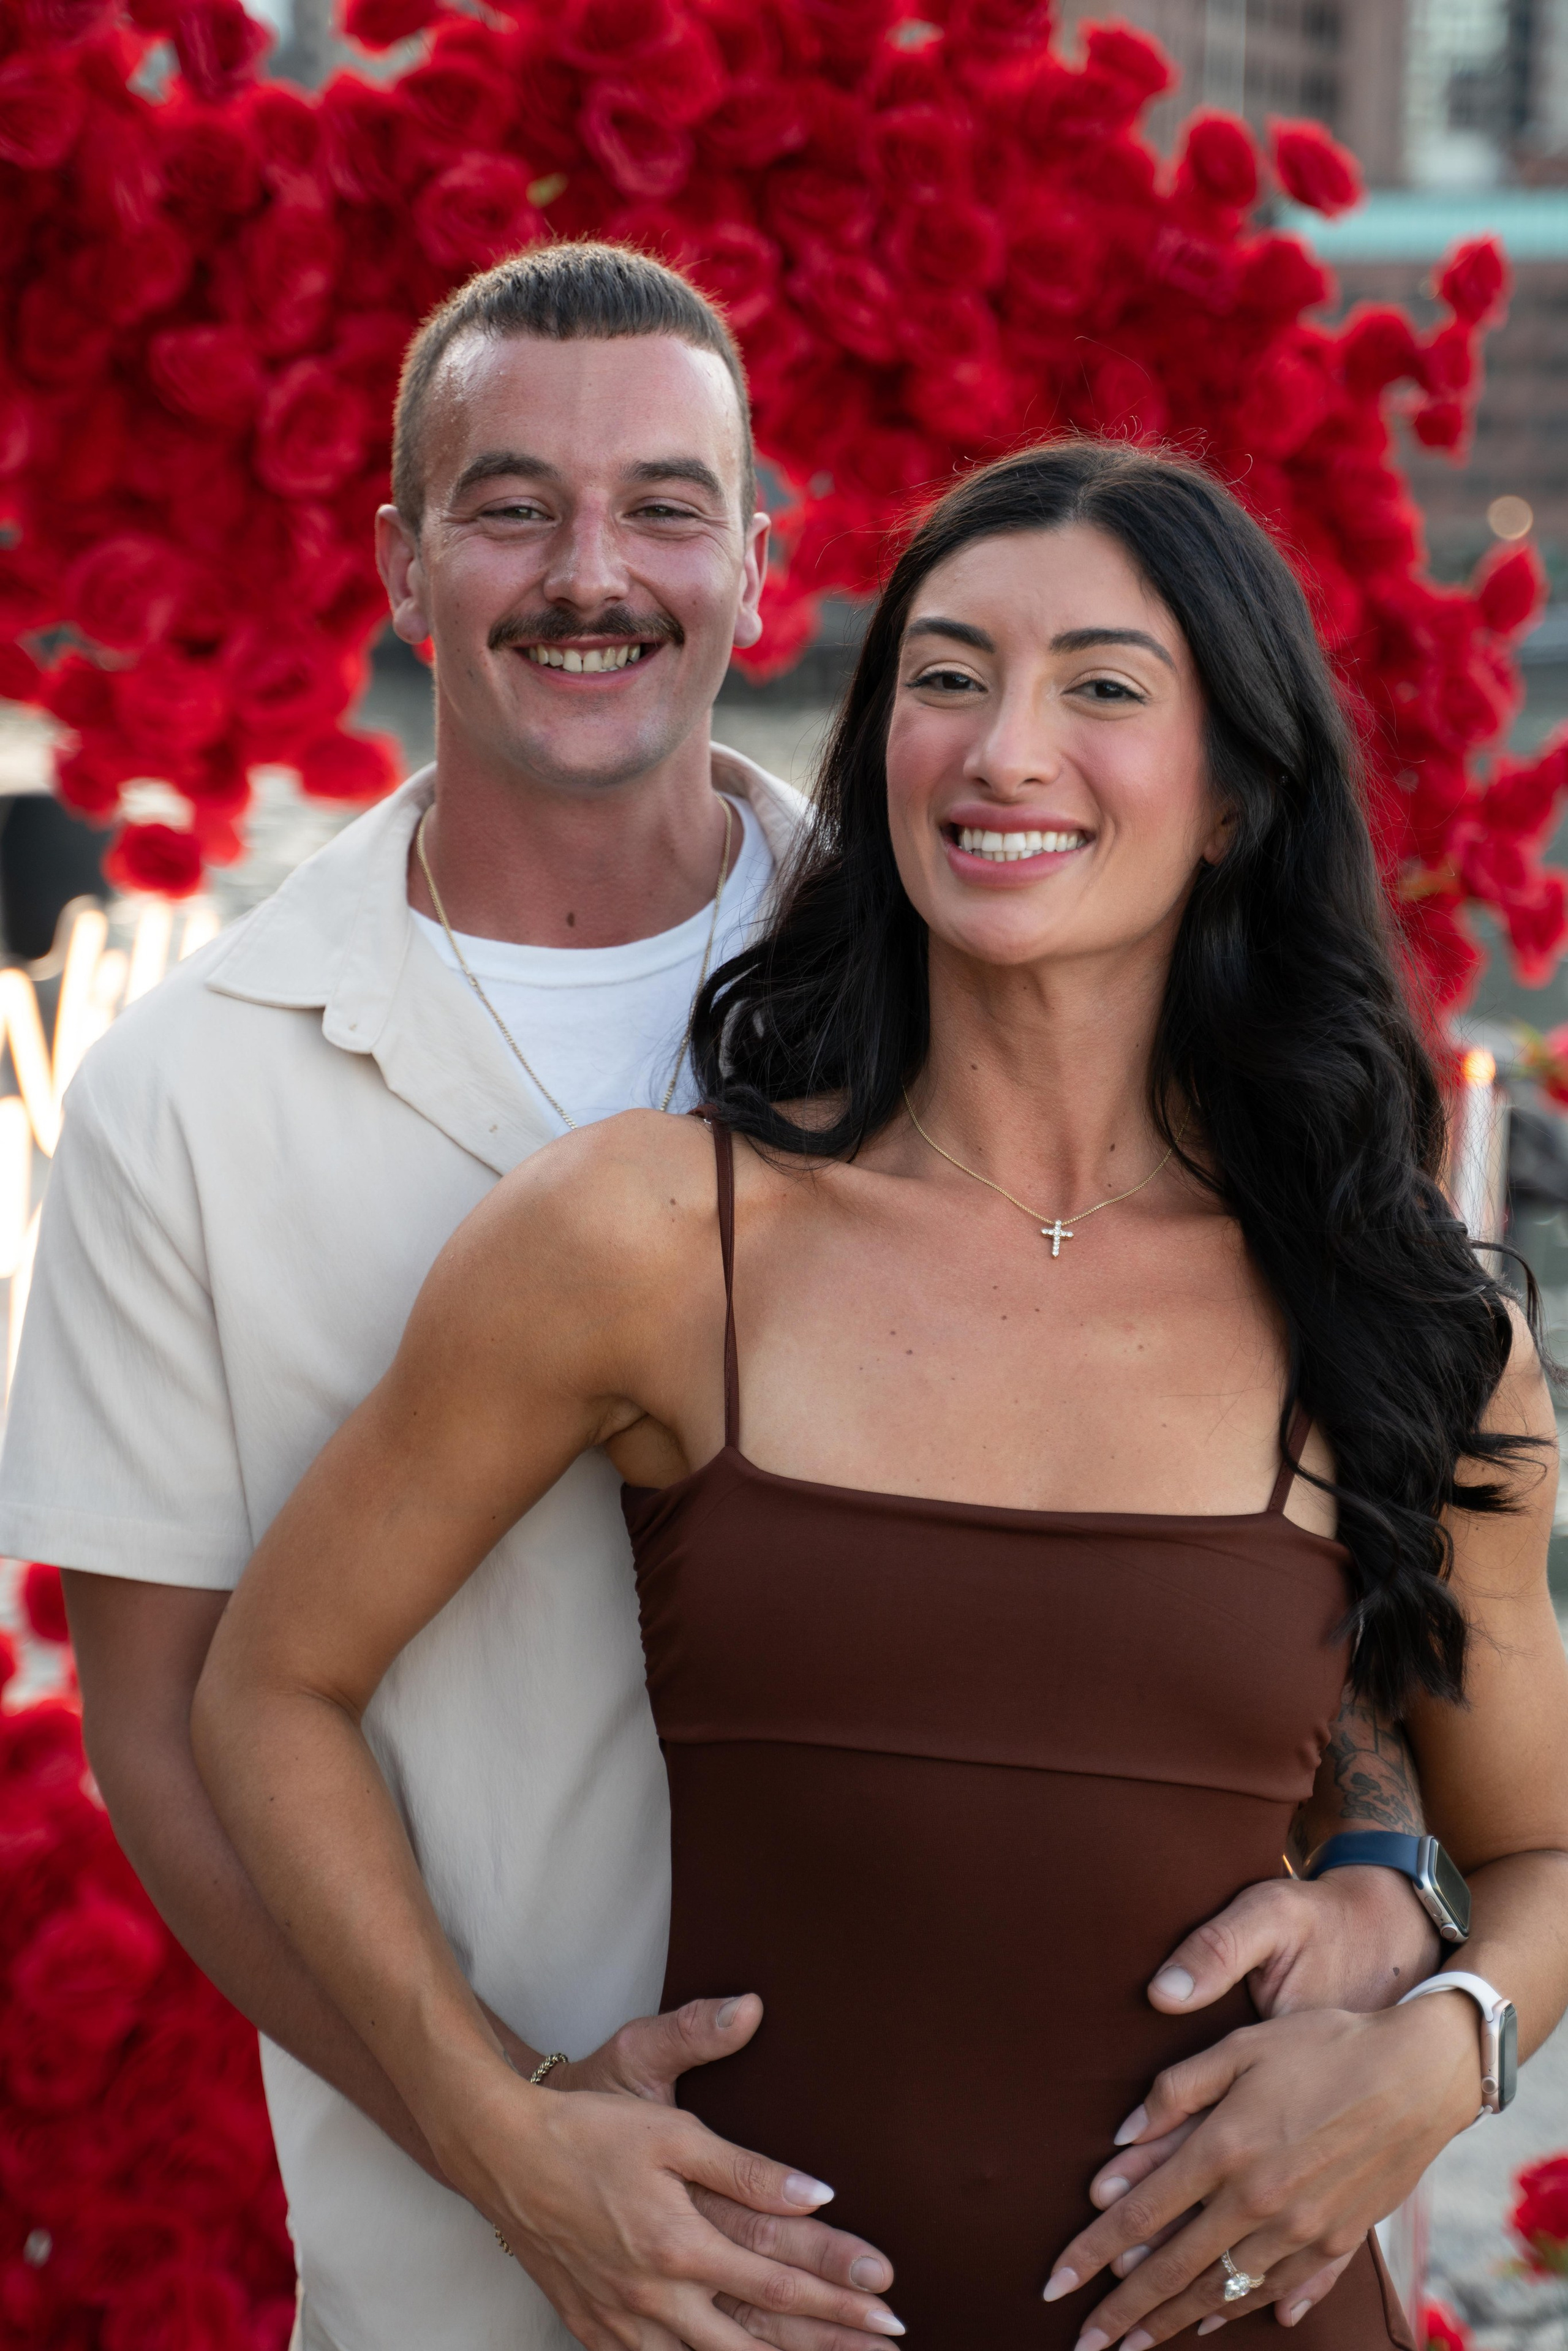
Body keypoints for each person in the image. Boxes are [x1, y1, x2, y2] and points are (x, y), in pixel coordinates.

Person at [0, 247, 1427, 2349]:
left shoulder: (992, 943)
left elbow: (1283, 1523)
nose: (595, 572)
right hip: (450, 2267)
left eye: (666, 507)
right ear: (402, 560)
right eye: (511, 507)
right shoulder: (184, 1095)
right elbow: (179, 1728)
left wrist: (1407, 1914)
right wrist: (504, 2140)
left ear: (762, 565)